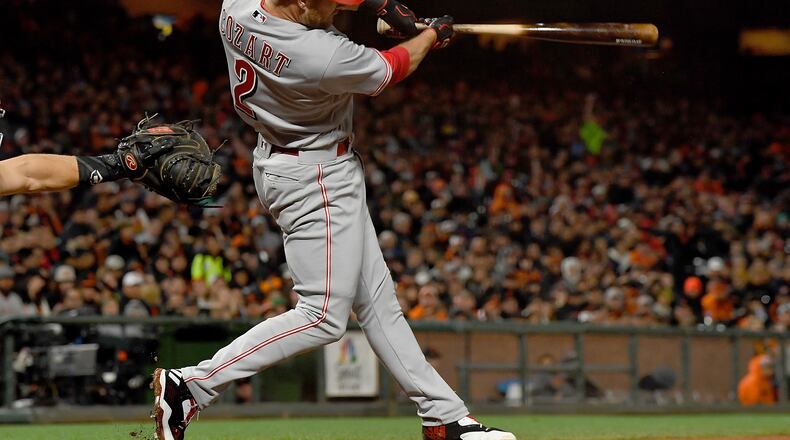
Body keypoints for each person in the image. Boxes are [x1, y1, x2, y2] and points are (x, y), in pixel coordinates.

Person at [149, 1, 514, 439]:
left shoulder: (238, 5)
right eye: (331, 6)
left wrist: (383, 8)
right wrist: (431, 35)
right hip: (315, 174)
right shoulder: (315, 52)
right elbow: (391, 67)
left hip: (285, 159)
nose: (340, 13)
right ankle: (191, 385)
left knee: (378, 301)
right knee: (322, 315)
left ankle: (444, 417)